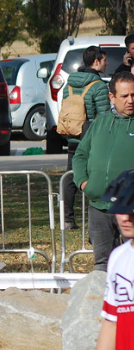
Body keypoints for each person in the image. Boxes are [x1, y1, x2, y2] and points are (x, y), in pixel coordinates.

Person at [64, 169, 134, 350]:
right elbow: (112, 323)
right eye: (120, 209)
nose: (125, 217)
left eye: (132, 211)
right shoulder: (120, 257)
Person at [73, 71, 134, 271]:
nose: (130, 100)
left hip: (129, 210)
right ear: (112, 97)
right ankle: (104, 303)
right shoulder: (99, 122)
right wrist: (84, 183)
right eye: (124, 96)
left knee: (130, 265)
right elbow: (80, 154)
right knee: (101, 265)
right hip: (98, 205)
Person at [62, 45, 110, 230]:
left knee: (70, 175)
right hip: (92, 139)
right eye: (105, 60)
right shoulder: (98, 86)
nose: (107, 64)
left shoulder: (70, 83)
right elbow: (104, 115)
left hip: (73, 136)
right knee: (96, 176)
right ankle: (96, 219)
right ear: (96, 61)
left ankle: (67, 219)